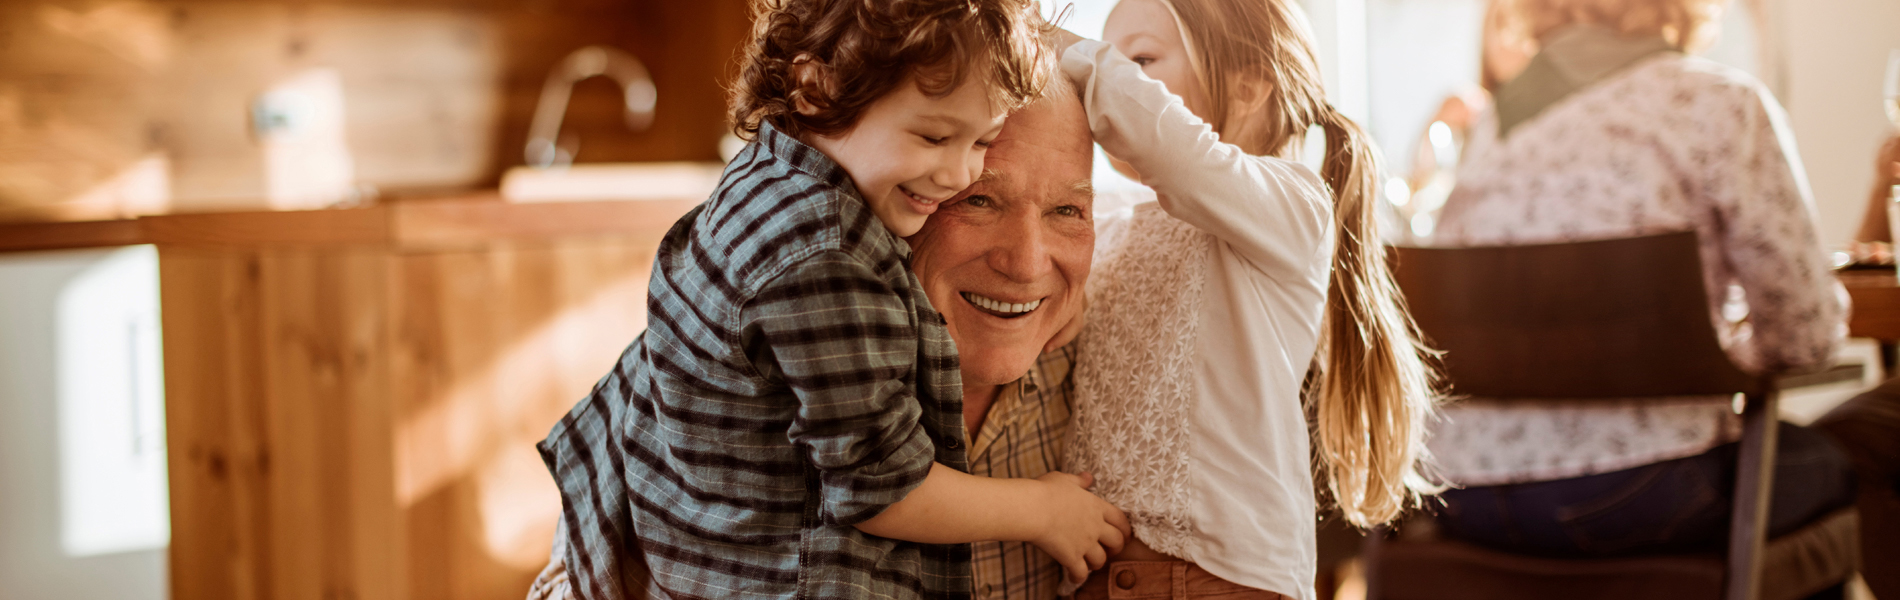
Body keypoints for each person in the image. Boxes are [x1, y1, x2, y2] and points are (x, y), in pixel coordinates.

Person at [533, 1, 1129, 598]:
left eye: (980, 142)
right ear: (816, 88)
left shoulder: (763, 180)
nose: (954, 175)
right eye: (977, 198)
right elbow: (882, 484)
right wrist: (1043, 510)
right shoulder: (826, 256)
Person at [1421, 0, 1856, 562]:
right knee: (1848, 455)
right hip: (1636, 489)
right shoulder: (1720, 103)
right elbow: (1807, 333)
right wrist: (1726, 355)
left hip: (1463, 494)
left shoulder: (1491, 127)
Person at [1049, 0, 1443, 596]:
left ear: (1250, 81)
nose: (1108, 77)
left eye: (1142, 58)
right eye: (1114, 58)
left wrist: (1051, 42)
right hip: (1099, 575)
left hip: (1225, 576)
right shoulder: (1116, 221)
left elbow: (1178, 153)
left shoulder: (1293, 204)